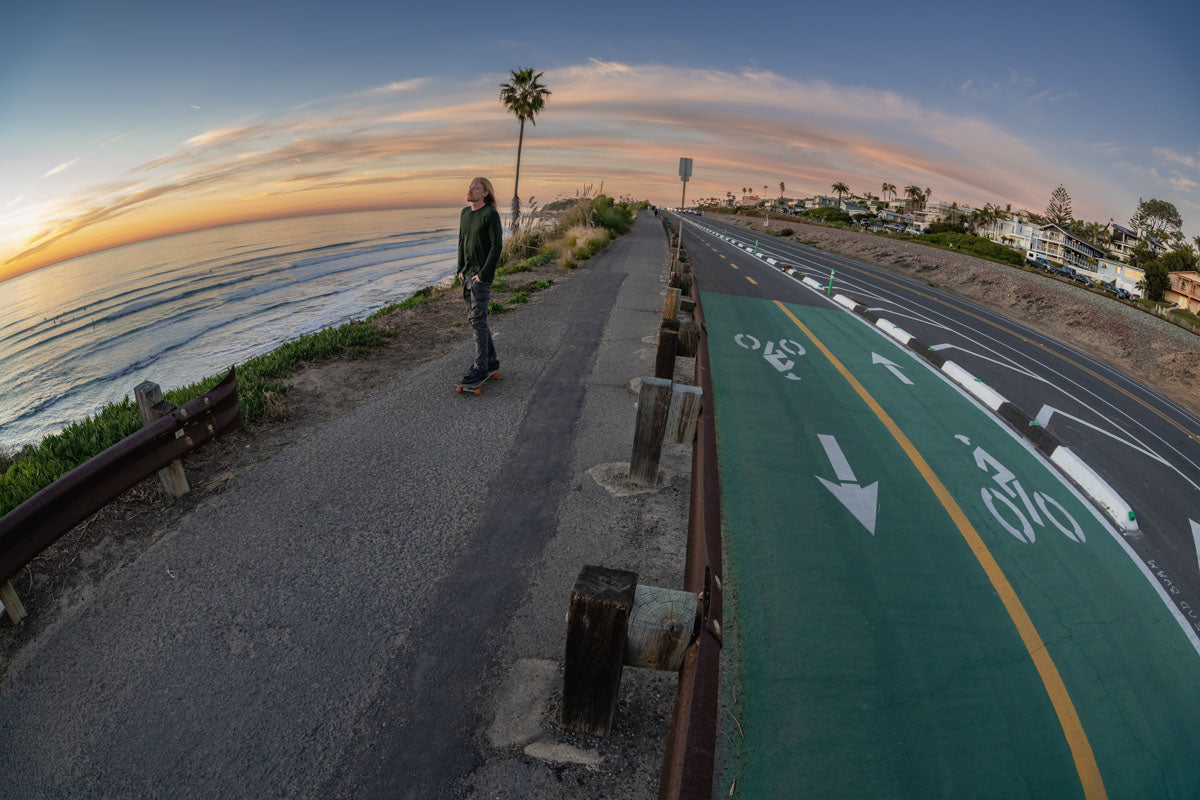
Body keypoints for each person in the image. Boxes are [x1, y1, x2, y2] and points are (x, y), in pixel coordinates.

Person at [457, 177, 503, 386]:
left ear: (485, 193)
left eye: (476, 188)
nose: (471, 190)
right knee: (478, 320)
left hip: (480, 278)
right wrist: (459, 268)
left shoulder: (490, 214)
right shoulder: (465, 213)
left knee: (477, 320)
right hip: (466, 274)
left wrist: (483, 274)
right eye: (470, 187)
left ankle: (480, 366)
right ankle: (491, 361)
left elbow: (496, 247)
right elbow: (461, 241)